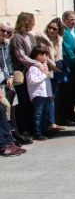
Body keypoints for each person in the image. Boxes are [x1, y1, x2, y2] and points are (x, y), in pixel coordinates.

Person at [9, 12, 45, 140]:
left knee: (32, 101)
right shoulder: (17, 38)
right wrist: (36, 63)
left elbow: (36, 52)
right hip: (22, 74)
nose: (34, 24)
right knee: (23, 102)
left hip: (32, 74)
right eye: (32, 21)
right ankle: (22, 129)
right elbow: (21, 56)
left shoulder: (30, 36)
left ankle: (32, 128)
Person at [35, 19, 65, 133]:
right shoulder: (42, 39)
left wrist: (60, 65)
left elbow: (59, 55)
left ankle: (51, 123)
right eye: (50, 27)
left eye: (54, 29)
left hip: (55, 73)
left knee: (52, 98)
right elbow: (45, 57)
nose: (51, 30)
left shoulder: (59, 39)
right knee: (45, 99)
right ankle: (44, 126)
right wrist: (56, 68)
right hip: (45, 71)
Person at [26, 47, 53, 141]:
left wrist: (50, 94)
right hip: (38, 94)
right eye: (45, 55)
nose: (46, 57)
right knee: (38, 113)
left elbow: (47, 82)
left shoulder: (44, 66)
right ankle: (37, 132)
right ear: (39, 56)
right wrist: (44, 75)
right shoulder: (33, 68)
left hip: (45, 94)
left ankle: (44, 130)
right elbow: (32, 80)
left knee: (45, 113)